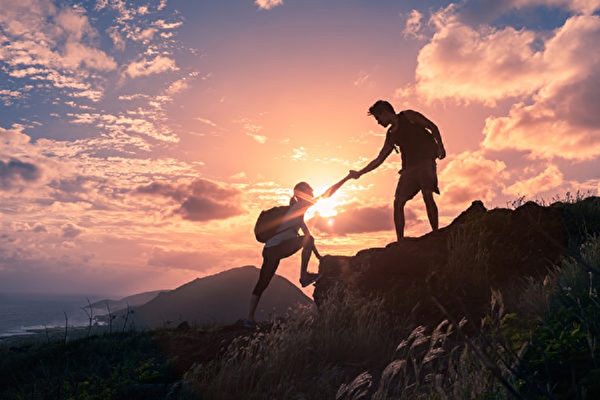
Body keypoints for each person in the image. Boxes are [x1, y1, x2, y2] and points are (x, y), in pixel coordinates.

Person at [246, 176, 349, 325]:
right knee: (263, 282)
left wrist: (318, 256)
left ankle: (249, 318)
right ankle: (304, 276)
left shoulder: (297, 214)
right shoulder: (300, 206)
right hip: (277, 249)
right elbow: (327, 194)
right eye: (310, 190)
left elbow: (308, 237)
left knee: (262, 283)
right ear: (302, 193)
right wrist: (346, 178)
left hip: (269, 250)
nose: (313, 192)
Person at [349, 100, 446, 240]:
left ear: (384, 112)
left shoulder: (408, 116)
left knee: (427, 194)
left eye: (378, 118)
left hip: (426, 161)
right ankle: (400, 241)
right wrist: (360, 173)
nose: (378, 122)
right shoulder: (391, 135)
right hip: (408, 169)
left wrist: (440, 146)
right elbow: (379, 159)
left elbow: (432, 126)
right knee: (398, 202)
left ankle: (435, 234)